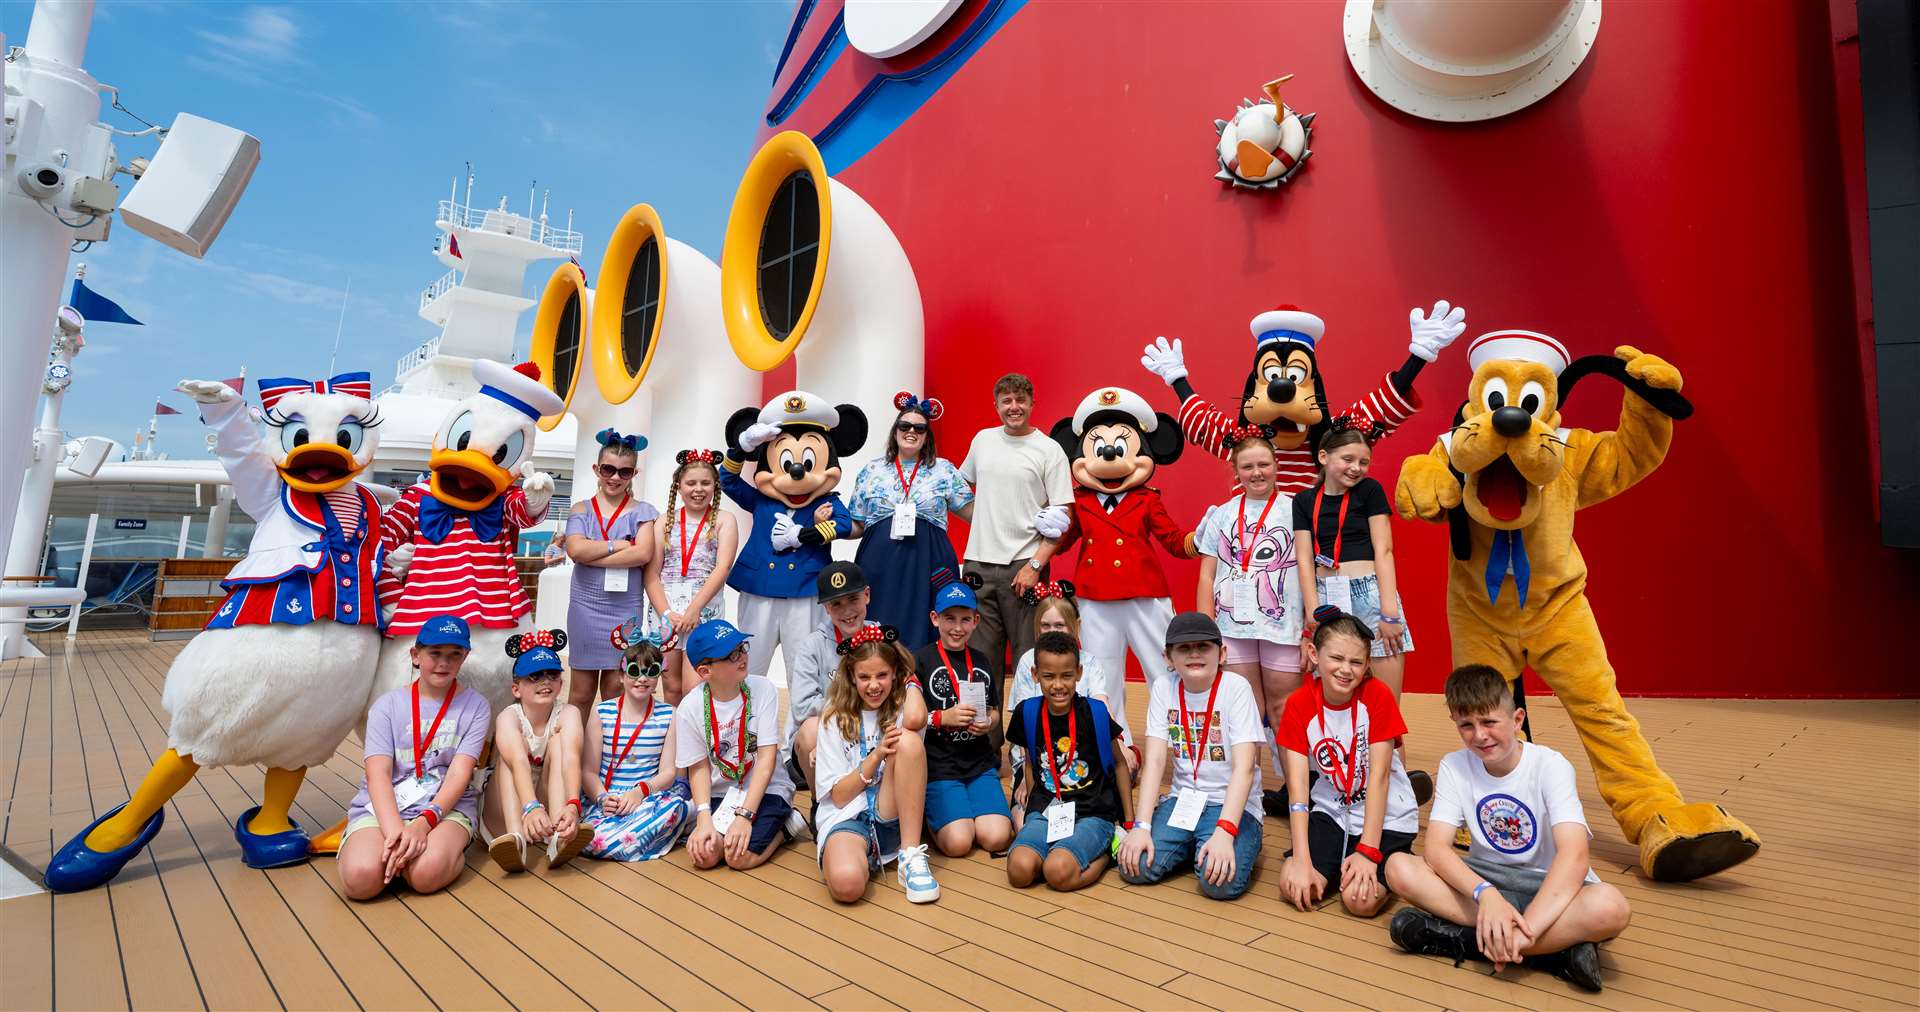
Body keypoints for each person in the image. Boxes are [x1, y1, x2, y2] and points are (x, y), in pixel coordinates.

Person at [1386, 664, 1631, 992]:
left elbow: (1574, 856)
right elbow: (1436, 849)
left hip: (1549, 884)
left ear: (1517, 720)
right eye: (1467, 725)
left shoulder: (1550, 765)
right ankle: (1554, 952)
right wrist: (1485, 895)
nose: (1480, 735)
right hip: (1487, 881)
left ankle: (1470, 941)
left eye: (1489, 721)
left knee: (1611, 907)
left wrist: (1525, 928)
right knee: (1399, 867)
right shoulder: (1455, 766)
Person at [1276, 607, 1421, 918]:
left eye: (1356, 662)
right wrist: (1301, 859)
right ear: (1314, 654)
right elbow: (1299, 791)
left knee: (1361, 901)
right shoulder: (1300, 705)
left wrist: (1368, 851)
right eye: (1337, 659)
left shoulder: (1377, 696)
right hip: (1334, 810)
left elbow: (1380, 778)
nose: (1346, 670)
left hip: (1382, 811)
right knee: (1298, 885)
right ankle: (1323, 858)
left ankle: (1402, 852)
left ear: (1367, 665)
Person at [337, 616, 491, 900]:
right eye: (434, 653)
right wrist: (396, 832)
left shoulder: (476, 707)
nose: (443, 663)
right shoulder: (387, 706)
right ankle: (391, 856)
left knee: (425, 874)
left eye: (454, 655)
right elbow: (378, 774)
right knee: (360, 880)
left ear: (464, 657)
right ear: (415, 655)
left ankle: (427, 858)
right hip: (385, 807)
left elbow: (460, 774)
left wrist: (424, 823)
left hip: (444, 809)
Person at [1117, 612, 1264, 900]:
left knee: (1219, 884)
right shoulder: (1163, 687)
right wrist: (1142, 826)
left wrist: (1225, 831)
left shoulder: (1236, 688)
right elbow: (1156, 760)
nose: (1194, 654)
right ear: (1168, 657)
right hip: (1183, 801)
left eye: (1204, 647)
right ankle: (1194, 844)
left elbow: (1245, 767)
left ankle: (1211, 843)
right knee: (1134, 867)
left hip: (1231, 807)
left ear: (1221, 653)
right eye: (1184, 648)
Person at [1195, 431, 1304, 782]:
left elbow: (1309, 568)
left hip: (1283, 626)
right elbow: (1206, 578)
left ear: (1276, 466)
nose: (1257, 473)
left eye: (1264, 464)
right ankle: (1248, 795)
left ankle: (1297, 791)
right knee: (1246, 713)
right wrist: (1208, 633)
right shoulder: (1221, 516)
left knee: (1284, 709)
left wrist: (1311, 624)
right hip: (1232, 630)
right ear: (1236, 472)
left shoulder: (1296, 510)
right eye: (1248, 467)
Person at [958, 373, 1074, 682]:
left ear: (1032, 404)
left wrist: (1035, 565)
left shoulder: (1049, 450)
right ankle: (987, 732)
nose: (1014, 407)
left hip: (1024, 567)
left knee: (1028, 662)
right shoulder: (982, 440)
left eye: (1020, 400)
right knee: (980, 665)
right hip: (978, 567)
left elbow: (1064, 519)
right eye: (1006, 400)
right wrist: (983, 518)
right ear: (995, 405)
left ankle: (1027, 731)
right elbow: (957, 490)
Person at [813, 627, 941, 904]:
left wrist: (909, 676)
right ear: (851, 677)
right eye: (864, 677)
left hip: (890, 814)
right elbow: (838, 796)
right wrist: (875, 756)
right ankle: (857, 855)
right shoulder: (834, 717)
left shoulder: (901, 708)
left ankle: (910, 854)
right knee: (847, 886)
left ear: (895, 673)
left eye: (882, 674)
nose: (874, 685)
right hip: (848, 816)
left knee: (907, 741)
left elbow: (918, 718)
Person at [787, 562, 930, 796]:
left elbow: (904, 682)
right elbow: (803, 708)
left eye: (853, 599)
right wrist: (852, 705)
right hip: (835, 732)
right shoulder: (812, 646)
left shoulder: (881, 637)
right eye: (836, 604)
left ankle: (890, 798)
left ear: (867, 595)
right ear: (826, 609)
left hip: (876, 726)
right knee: (810, 729)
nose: (846, 610)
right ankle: (819, 801)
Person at [1006, 632, 1133, 892]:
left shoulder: (1095, 712)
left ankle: (1107, 853)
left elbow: (1119, 764)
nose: (1058, 685)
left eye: (1066, 675)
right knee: (1019, 871)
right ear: (1035, 674)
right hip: (1047, 809)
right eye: (1048, 676)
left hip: (1093, 812)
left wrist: (1129, 823)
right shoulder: (1027, 712)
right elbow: (1031, 764)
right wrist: (1033, 809)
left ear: (1079, 672)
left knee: (1057, 872)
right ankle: (1062, 849)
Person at [849, 392, 975, 649]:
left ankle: (922, 684)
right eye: (904, 426)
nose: (911, 431)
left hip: (930, 563)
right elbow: (857, 525)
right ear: (895, 431)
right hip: (879, 564)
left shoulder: (944, 469)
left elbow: (975, 514)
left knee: (927, 626)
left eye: (919, 428)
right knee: (878, 628)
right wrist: (827, 526)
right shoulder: (871, 470)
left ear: (927, 435)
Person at [675, 619, 802, 871]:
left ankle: (787, 826)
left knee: (738, 858)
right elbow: (698, 768)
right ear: (704, 671)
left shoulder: (762, 689)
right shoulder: (689, 708)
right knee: (706, 856)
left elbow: (766, 760)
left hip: (767, 790)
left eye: (742, 647)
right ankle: (732, 827)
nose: (742, 656)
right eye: (730, 655)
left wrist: (744, 816)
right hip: (720, 794)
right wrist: (703, 817)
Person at [912, 579, 1013, 857]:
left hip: (979, 763)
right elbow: (909, 719)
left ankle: (964, 811)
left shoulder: (982, 659)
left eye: (965, 619)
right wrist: (942, 717)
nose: (957, 628)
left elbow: (993, 710)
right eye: (949, 619)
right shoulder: (920, 660)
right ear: (935, 618)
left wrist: (989, 723)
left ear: (976, 621)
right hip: (939, 766)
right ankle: (926, 817)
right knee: (958, 844)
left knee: (996, 837)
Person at [564, 429, 658, 709]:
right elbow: (575, 550)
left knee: (615, 693)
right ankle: (574, 752)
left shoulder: (644, 511)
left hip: (624, 610)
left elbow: (643, 552)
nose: (615, 477)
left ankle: (610, 752)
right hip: (585, 608)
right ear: (596, 469)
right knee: (580, 694)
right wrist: (618, 544)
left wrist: (590, 554)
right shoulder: (581, 509)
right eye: (608, 469)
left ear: (634, 473)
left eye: (624, 472)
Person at [485, 630, 593, 871]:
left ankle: (559, 832)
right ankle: (515, 840)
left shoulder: (568, 713)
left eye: (552, 675)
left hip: (543, 806)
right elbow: (518, 762)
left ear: (561, 683)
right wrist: (530, 807)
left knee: (558, 743)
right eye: (534, 676)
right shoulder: (508, 717)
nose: (545, 682)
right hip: (507, 808)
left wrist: (573, 804)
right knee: (509, 758)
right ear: (516, 689)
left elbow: (571, 759)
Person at [581, 638, 695, 862]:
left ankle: (612, 839)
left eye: (651, 671)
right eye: (634, 671)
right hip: (607, 795)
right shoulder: (601, 713)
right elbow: (588, 772)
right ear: (621, 676)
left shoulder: (669, 714)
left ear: (659, 676)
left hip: (647, 796)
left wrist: (640, 792)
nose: (642, 679)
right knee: (594, 833)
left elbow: (668, 773)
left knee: (669, 808)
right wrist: (603, 797)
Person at [643, 449, 736, 704]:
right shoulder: (664, 522)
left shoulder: (724, 520)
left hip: (703, 611)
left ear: (715, 486)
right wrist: (665, 613)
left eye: (705, 483)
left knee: (694, 688)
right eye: (691, 483)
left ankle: (695, 742)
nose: (698, 489)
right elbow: (651, 573)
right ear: (679, 486)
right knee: (671, 687)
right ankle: (674, 741)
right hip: (667, 612)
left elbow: (722, 567)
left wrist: (695, 609)